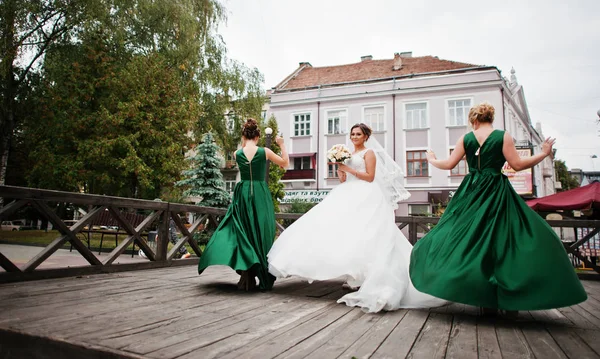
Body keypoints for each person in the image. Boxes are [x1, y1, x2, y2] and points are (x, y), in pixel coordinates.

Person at [409, 102, 587, 317]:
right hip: (496, 190)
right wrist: (543, 153)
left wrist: (431, 159)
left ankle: (481, 296)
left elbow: (448, 165)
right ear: (491, 118)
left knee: (467, 237)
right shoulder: (503, 136)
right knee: (505, 238)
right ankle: (510, 296)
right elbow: (518, 165)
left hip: (472, 193)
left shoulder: (466, 138)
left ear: (473, 120)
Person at [268, 123, 446, 312]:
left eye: (358, 134)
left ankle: (364, 277)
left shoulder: (369, 153)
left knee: (367, 234)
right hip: (347, 192)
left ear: (365, 136)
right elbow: (345, 180)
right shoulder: (347, 154)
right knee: (343, 232)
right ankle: (353, 274)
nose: (354, 137)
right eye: (352, 134)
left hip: (367, 194)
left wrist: (349, 169)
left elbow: (370, 177)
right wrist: (340, 171)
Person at [198, 119, 289, 291]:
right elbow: (286, 164)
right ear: (258, 135)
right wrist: (282, 144)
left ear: (243, 135)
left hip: (242, 192)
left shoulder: (236, 153)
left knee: (243, 231)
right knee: (262, 232)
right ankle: (258, 271)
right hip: (260, 193)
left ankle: (247, 273)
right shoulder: (264, 151)